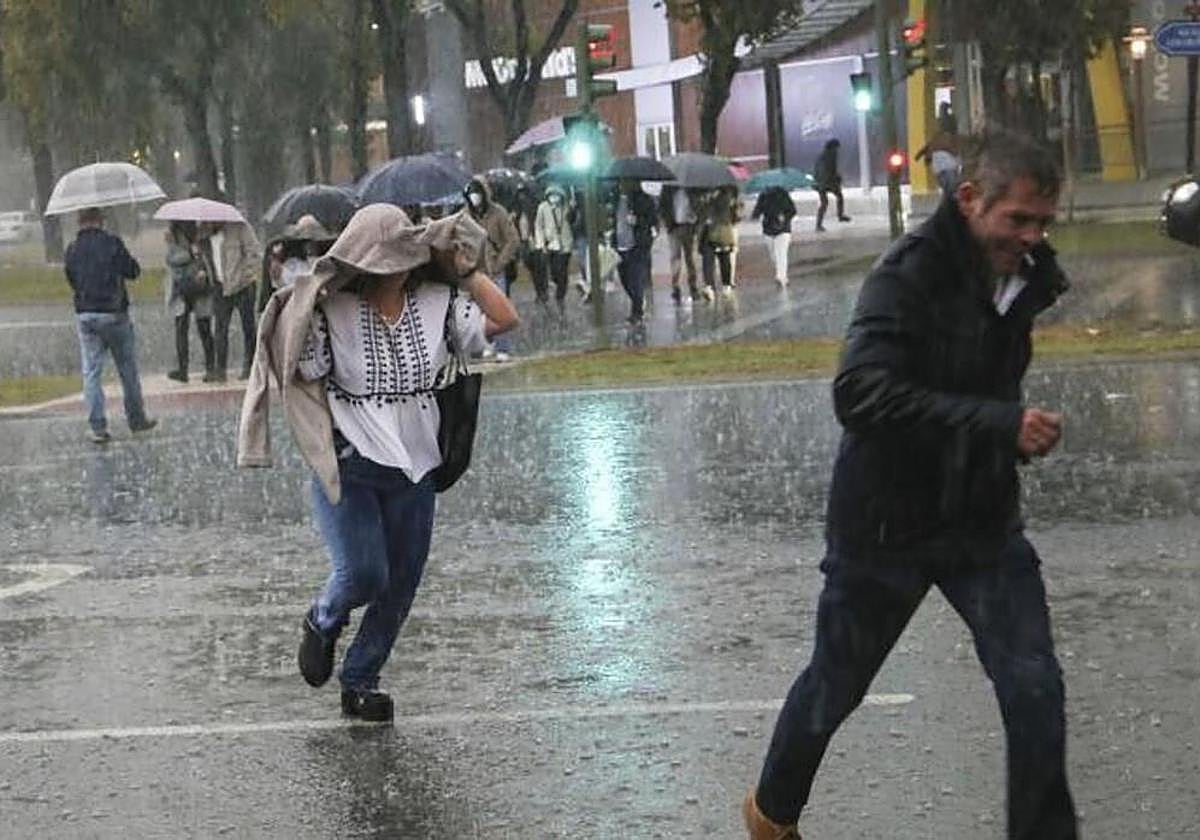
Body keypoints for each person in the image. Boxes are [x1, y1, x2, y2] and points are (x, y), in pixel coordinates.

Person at [743, 132, 1076, 840]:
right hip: (884, 525)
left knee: (1034, 689)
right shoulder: (908, 273)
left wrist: (1000, 433)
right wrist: (997, 425)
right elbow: (859, 394)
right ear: (968, 201)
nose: (1032, 237)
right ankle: (772, 815)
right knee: (835, 687)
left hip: (980, 520)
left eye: (1044, 221)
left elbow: (977, 375)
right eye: (1017, 219)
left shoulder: (1025, 274)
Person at [237, 203, 519, 722]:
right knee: (365, 572)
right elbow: (299, 367)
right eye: (380, 259)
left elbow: (505, 318)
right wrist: (297, 303)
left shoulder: (440, 302)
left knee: (402, 581)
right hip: (351, 462)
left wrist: (469, 271)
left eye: (401, 258)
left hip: (417, 464)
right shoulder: (332, 309)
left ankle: (361, 678)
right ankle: (323, 619)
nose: (392, 269)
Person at [63, 207, 157, 443]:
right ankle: (136, 419)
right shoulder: (112, 243)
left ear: (80, 223)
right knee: (127, 369)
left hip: (86, 314)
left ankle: (98, 426)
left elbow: (71, 279)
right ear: (99, 221)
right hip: (114, 312)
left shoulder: (72, 249)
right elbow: (133, 271)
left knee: (91, 372)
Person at [198, 219, 262, 381]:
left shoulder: (239, 227)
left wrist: (247, 275)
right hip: (220, 287)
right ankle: (221, 370)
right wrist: (203, 272)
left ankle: (249, 367)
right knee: (220, 329)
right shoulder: (203, 236)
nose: (208, 223)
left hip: (243, 286)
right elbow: (203, 261)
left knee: (248, 327)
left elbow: (253, 252)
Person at [165, 220, 216, 383]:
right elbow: (172, 260)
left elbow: (209, 261)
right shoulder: (175, 241)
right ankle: (184, 369)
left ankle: (209, 367)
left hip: (196, 288)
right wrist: (191, 252)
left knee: (202, 327)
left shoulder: (200, 239)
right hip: (183, 289)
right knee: (184, 329)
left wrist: (197, 252)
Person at [258, 214, 337, 313]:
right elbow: (284, 283)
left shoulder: (321, 258)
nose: (309, 246)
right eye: (306, 241)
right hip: (294, 304)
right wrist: (277, 275)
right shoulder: (292, 261)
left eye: (312, 241)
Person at [609, 178, 657, 324]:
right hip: (620, 245)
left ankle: (637, 312)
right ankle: (638, 301)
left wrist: (638, 221)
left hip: (638, 245)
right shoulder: (615, 199)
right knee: (624, 279)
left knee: (635, 278)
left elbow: (652, 221)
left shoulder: (644, 200)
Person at [533, 183, 573, 310]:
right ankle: (557, 286)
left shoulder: (566, 207)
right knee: (554, 271)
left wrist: (572, 208)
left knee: (562, 272)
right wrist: (541, 243)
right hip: (551, 245)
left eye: (557, 195)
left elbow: (573, 221)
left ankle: (560, 295)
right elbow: (538, 225)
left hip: (565, 245)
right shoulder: (542, 208)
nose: (554, 197)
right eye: (552, 195)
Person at [658, 185, 700, 304]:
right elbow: (662, 207)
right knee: (675, 257)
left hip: (689, 227)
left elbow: (699, 206)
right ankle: (675, 286)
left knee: (690, 258)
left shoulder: (692, 189)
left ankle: (693, 286)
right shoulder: (667, 189)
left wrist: (696, 221)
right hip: (674, 227)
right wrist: (668, 224)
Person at [751, 185, 797, 287]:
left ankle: (781, 277)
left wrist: (784, 217)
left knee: (781, 253)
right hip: (771, 229)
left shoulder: (782, 194)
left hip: (782, 229)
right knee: (775, 255)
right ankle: (780, 274)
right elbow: (758, 210)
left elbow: (792, 210)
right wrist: (755, 215)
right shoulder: (764, 195)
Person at [698, 186, 738, 300]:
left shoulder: (727, 195)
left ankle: (726, 285)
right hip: (707, 232)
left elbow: (732, 213)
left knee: (724, 259)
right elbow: (700, 212)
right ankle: (709, 286)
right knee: (707, 260)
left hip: (721, 231)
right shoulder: (704, 195)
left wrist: (712, 200)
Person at [813, 138, 851, 232]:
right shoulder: (830, 155)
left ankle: (819, 224)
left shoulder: (822, 155)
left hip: (821, 182)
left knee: (824, 203)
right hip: (827, 182)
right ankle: (840, 215)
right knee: (838, 197)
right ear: (833, 147)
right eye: (837, 148)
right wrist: (836, 178)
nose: (837, 150)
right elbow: (831, 170)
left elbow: (818, 170)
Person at [915, 131, 963, 197]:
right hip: (949, 167)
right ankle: (951, 196)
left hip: (939, 168)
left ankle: (949, 196)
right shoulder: (949, 143)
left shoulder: (934, 143)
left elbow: (924, 150)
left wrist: (920, 158)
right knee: (950, 185)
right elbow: (955, 153)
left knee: (946, 184)